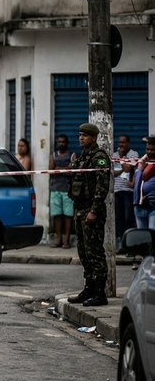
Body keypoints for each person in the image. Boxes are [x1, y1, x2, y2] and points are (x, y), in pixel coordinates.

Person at [67, 123, 111, 307]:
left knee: (95, 253)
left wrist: (93, 211)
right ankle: (89, 288)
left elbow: (102, 187)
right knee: (84, 253)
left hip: (92, 211)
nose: (81, 138)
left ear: (93, 137)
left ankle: (100, 293)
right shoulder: (82, 157)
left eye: (85, 135)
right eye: (80, 135)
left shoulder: (99, 158)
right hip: (80, 209)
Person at [48, 134, 76, 249]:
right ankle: (58, 239)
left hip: (68, 190)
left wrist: (58, 169)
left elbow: (72, 171)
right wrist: (65, 169)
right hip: (55, 190)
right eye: (59, 142)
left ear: (67, 143)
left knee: (68, 216)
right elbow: (50, 171)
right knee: (57, 216)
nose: (61, 144)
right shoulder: (53, 155)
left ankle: (67, 240)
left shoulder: (72, 155)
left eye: (63, 142)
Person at [113, 135, 138, 249]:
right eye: (119, 142)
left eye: (123, 142)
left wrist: (122, 158)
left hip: (128, 191)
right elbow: (113, 173)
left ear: (128, 143)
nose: (121, 145)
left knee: (129, 217)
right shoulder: (114, 155)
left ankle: (130, 244)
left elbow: (128, 169)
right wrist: (122, 167)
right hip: (117, 190)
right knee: (118, 218)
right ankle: (120, 243)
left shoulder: (134, 154)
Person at [133, 137, 155, 230]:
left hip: (153, 207)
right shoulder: (143, 162)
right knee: (142, 239)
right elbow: (137, 182)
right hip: (139, 206)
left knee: (152, 236)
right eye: (148, 149)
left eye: (153, 150)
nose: (149, 152)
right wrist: (140, 168)